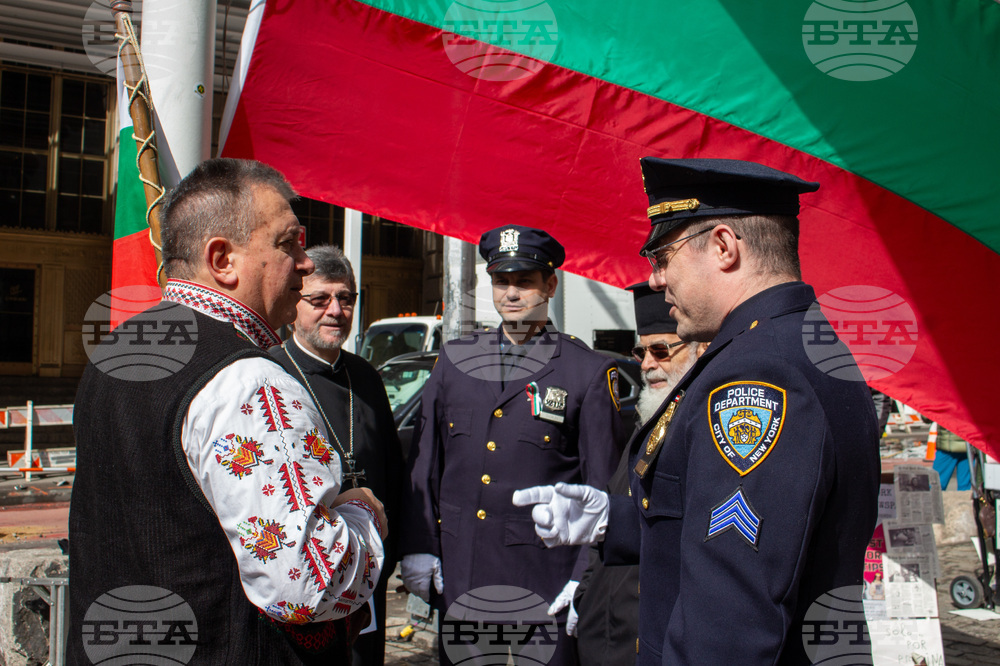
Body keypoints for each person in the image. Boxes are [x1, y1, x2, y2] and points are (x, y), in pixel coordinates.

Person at [514, 158, 881, 664]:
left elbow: (730, 618)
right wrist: (614, 522)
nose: (656, 278)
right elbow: (741, 527)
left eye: (663, 256)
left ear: (724, 247)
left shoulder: (757, 375)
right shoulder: (804, 345)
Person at [69, 159, 386, 665]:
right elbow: (307, 583)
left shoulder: (118, 350)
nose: (305, 262)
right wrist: (362, 514)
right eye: (288, 244)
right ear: (223, 259)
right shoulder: (247, 381)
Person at [400, 225, 624, 665]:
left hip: (545, 587)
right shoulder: (455, 361)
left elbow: (603, 490)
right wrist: (420, 544)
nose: (512, 293)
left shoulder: (586, 372)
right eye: (502, 281)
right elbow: (425, 463)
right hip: (463, 579)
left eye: (525, 281)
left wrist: (585, 578)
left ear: (550, 285)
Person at [270, 244, 406, 665]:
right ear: (295, 303)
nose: (336, 310)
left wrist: (393, 551)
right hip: (300, 581)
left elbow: (393, 473)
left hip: (366, 569)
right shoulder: (269, 373)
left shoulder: (365, 375)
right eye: (320, 299)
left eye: (346, 298)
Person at [572, 282, 703, 666]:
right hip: (606, 633)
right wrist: (585, 592)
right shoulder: (645, 425)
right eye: (641, 351)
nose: (647, 364)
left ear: (699, 350)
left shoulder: (704, 430)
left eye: (660, 350)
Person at [931, 426, 971, 490]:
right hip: (969, 444)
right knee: (965, 487)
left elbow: (927, 418)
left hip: (947, 445)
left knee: (936, 484)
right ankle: (963, 499)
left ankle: (932, 499)